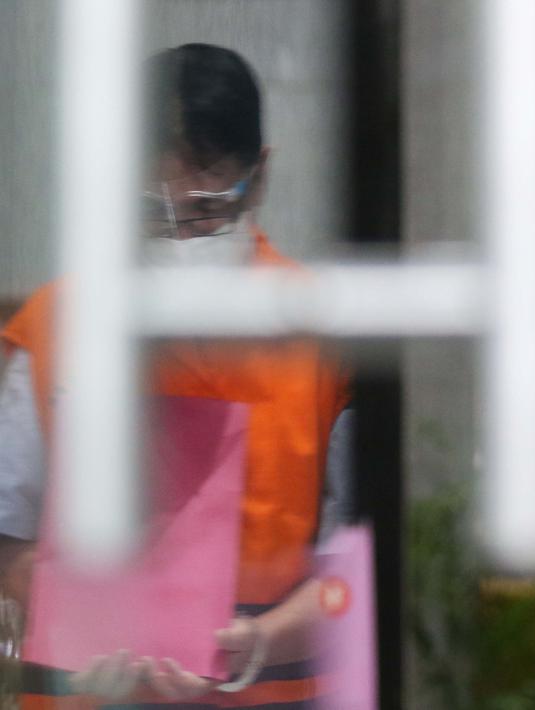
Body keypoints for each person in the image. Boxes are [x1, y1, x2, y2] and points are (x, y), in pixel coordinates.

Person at [0, 43, 354, 708]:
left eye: (207, 209)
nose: (181, 237)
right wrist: (86, 629)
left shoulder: (325, 336)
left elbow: (351, 569)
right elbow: (8, 539)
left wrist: (256, 641)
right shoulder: (54, 327)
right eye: (152, 213)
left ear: (262, 176)